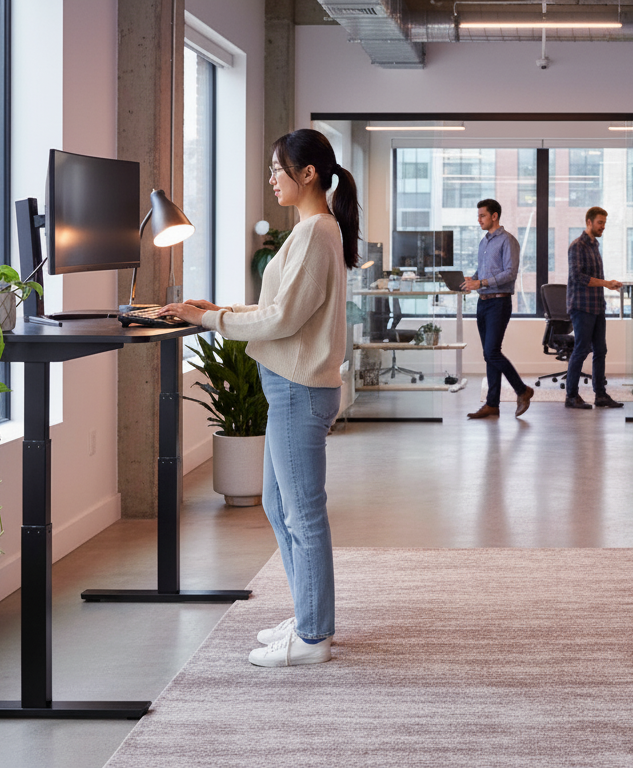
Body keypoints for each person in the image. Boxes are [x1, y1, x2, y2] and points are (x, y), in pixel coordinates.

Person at [161, 128, 358, 666]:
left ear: (308, 173)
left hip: (298, 390)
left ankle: (315, 636)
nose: (272, 178)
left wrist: (209, 319)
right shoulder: (311, 232)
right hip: (289, 387)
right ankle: (308, 614)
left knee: (303, 513)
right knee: (279, 505)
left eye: (277, 169)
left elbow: (283, 319)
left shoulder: (317, 232)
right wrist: (217, 308)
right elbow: (279, 312)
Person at [462, 198, 535, 419]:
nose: (479, 220)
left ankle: (522, 390)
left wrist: (481, 283)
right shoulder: (484, 242)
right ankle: (492, 404)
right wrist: (471, 280)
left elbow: (510, 273)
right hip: (482, 303)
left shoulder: (508, 241)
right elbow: (482, 270)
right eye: (478, 216)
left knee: (491, 351)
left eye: (482, 215)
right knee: (489, 355)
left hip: (499, 302)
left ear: (495, 216)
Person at [564, 206, 623, 410]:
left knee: (601, 350)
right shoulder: (577, 246)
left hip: (597, 305)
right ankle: (571, 396)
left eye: (604, 223)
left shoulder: (594, 245)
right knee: (581, 350)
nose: (603, 227)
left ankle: (600, 395)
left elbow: (593, 278)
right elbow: (578, 277)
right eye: (600, 222)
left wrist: (608, 285)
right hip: (581, 307)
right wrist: (606, 283)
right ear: (589, 222)